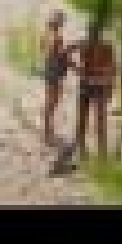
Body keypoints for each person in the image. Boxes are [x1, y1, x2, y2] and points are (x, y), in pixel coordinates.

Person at [72, 22, 117, 160]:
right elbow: (112, 69)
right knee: (96, 120)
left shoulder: (86, 45)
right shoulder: (104, 46)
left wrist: (76, 68)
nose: (91, 35)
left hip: (91, 84)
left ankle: (87, 151)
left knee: (88, 119)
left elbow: (112, 69)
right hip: (95, 84)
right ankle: (96, 152)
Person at [40, 10, 71, 147]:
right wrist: (69, 57)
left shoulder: (46, 34)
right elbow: (60, 55)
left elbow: (43, 50)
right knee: (53, 101)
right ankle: (47, 134)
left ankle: (48, 131)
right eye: (61, 21)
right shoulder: (57, 37)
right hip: (55, 71)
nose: (62, 24)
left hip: (48, 68)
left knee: (49, 100)